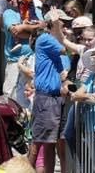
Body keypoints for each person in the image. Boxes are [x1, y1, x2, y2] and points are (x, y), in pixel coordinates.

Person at [27, 9, 72, 173]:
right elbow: (63, 49)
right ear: (53, 23)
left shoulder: (55, 41)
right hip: (46, 99)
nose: (65, 26)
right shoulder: (46, 39)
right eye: (62, 22)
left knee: (50, 144)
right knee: (38, 142)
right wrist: (55, 26)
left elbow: (65, 71)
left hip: (56, 99)